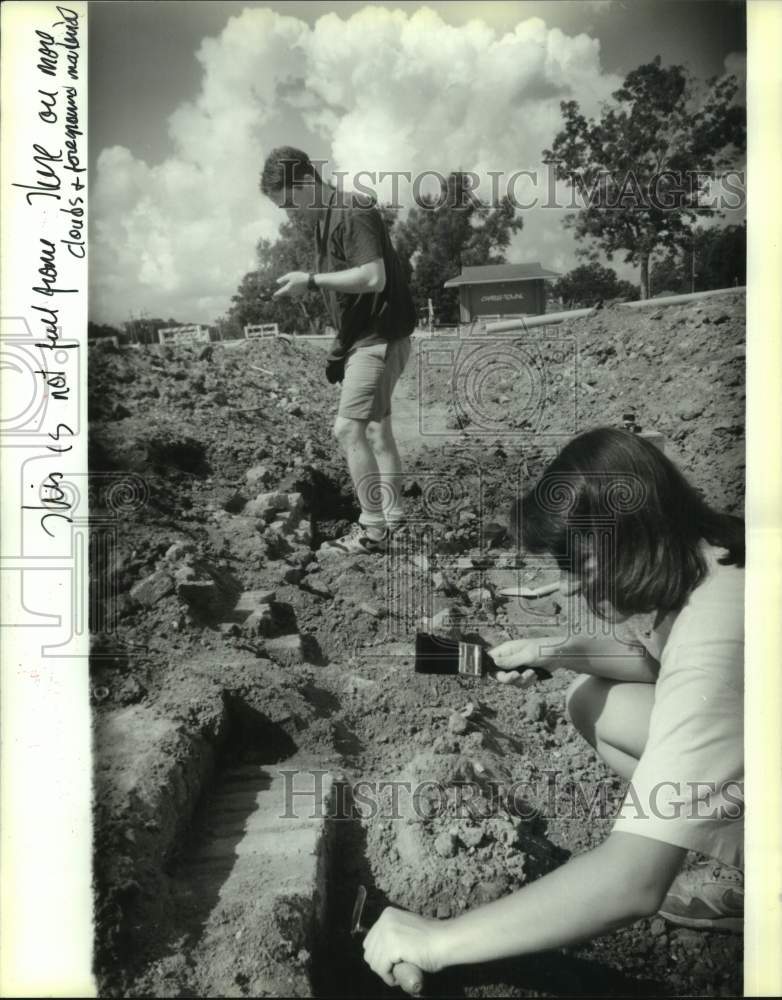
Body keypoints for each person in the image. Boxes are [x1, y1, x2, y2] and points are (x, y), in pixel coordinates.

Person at [363, 427, 744, 989]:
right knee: (593, 700)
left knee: (644, 828)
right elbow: (660, 665)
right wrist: (554, 650)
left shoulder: (715, 637)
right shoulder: (716, 556)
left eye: (580, 565)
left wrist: (438, 940)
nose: (571, 588)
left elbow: (630, 884)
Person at [260, 147, 417, 555]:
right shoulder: (325, 220)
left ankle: (373, 531)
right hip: (369, 337)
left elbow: (373, 277)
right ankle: (393, 520)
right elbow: (352, 295)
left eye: (290, 202)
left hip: (379, 337)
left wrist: (310, 281)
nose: (290, 212)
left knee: (347, 429)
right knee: (378, 431)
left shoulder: (351, 211)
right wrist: (340, 346)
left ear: (307, 182)